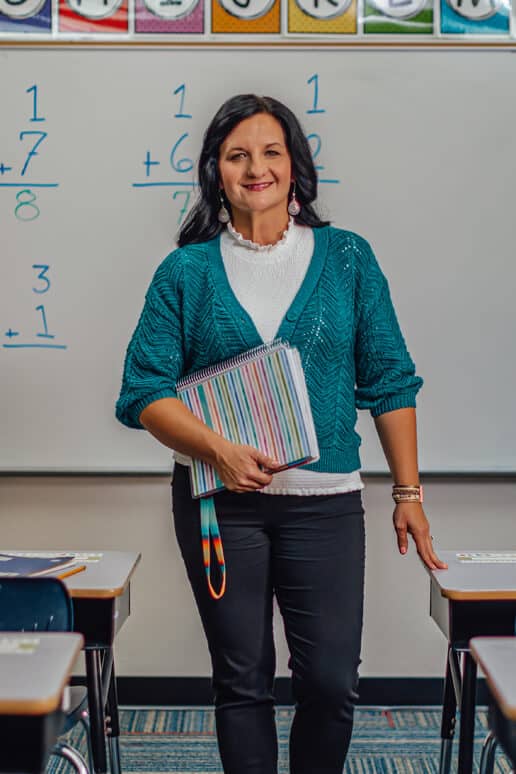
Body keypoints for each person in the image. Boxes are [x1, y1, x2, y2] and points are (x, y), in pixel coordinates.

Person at [116, 93, 447, 774]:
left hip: (325, 504)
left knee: (330, 683)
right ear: (216, 171)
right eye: (238, 155)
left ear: (295, 167)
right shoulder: (186, 271)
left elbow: (390, 378)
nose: (256, 167)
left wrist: (407, 491)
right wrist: (218, 449)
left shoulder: (348, 258)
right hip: (219, 507)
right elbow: (143, 390)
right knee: (241, 683)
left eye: (271, 152)